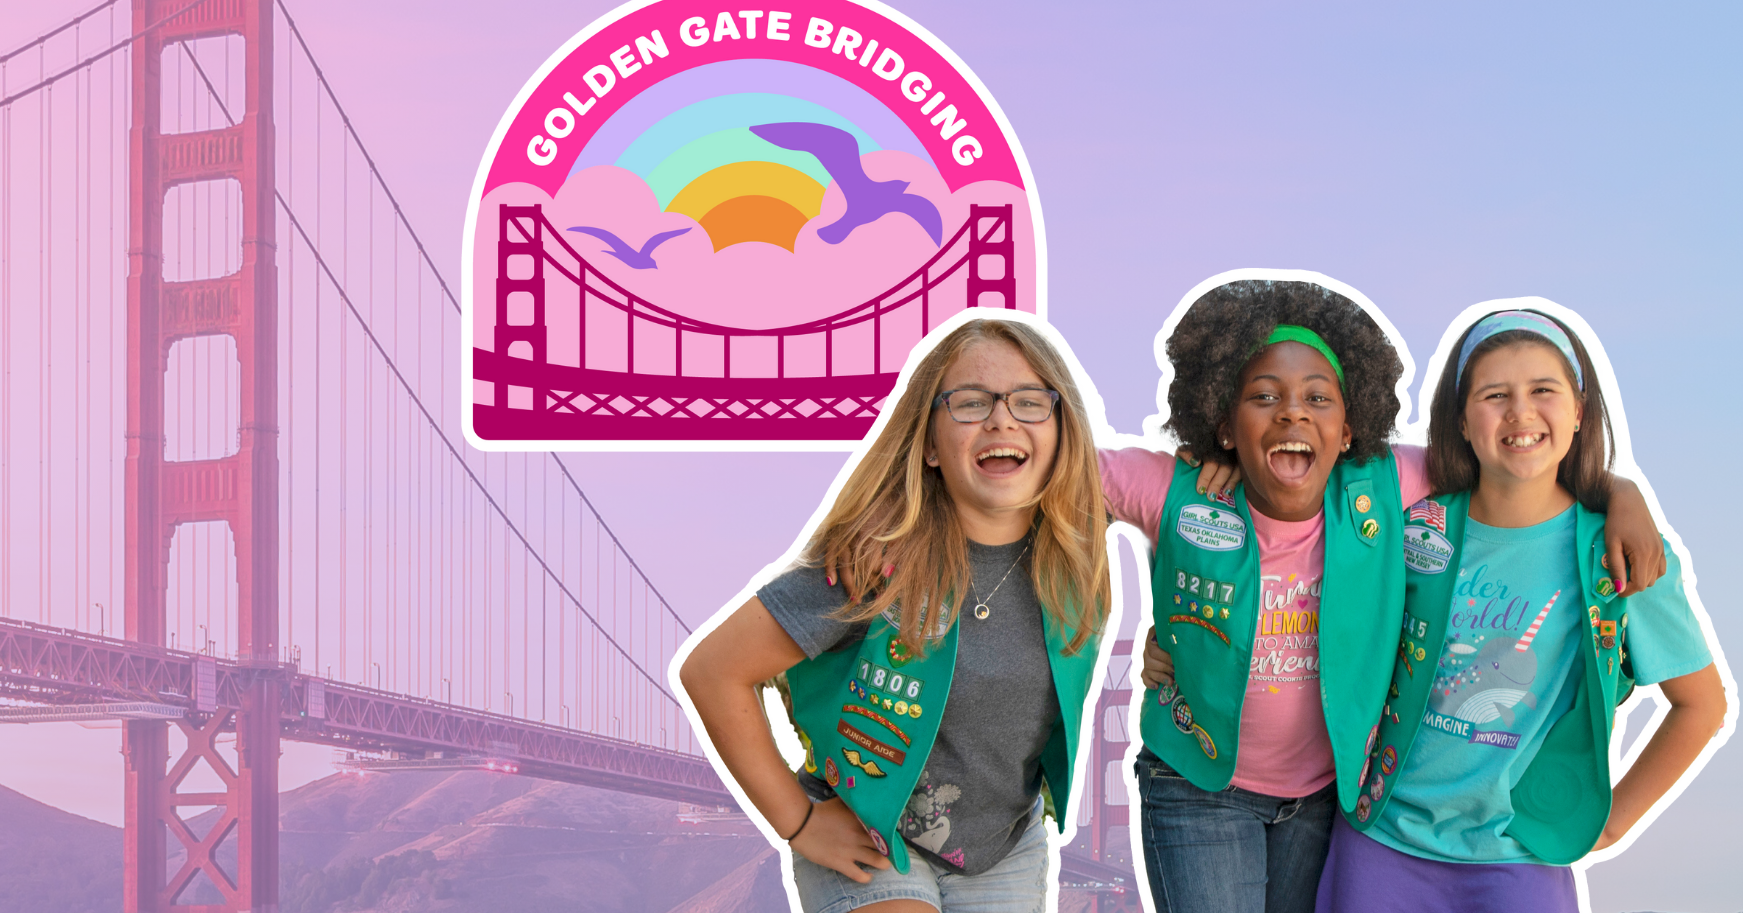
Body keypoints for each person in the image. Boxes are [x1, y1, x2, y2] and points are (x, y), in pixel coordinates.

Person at [1116, 279, 1664, 913]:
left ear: (1350, 428)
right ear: (1224, 418)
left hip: (1325, 796)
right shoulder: (1188, 490)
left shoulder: (1391, 485)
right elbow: (1074, 476)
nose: (1292, 412)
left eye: (1317, 398)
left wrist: (1621, 491)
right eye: (1263, 398)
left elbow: (1513, 464)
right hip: (1214, 786)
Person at [679, 316, 1112, 913]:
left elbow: (1204, 491)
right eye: (969, 402)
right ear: (930, 444)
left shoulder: (1075, 560)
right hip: (873, 834)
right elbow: (713, 671)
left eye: (1030, 401)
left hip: (1003, 848)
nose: (1002, 418)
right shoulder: (874, 562)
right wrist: (799, 821)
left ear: (1062, 433)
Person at [1314, 308, 1728, 910]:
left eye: (1543, 390)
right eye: (1494, 394)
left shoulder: (1615, 553)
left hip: (1519, 855)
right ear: (1461, 418)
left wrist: (1611, 825)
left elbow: (1702, 704)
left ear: (1580, 410)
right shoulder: (1411, 526)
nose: (1520, 412)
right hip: (1382, 840)